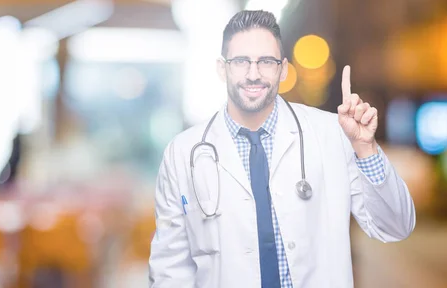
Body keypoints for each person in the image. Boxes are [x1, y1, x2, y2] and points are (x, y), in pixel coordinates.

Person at [148, 10, 415, 288]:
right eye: (241, 61)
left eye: (266, 61)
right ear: (222, 68)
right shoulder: (182, 153)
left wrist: (365, 148)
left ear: (283, 68)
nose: (253, 74)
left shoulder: (332, 135)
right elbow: (170, 269)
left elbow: (395, 227)